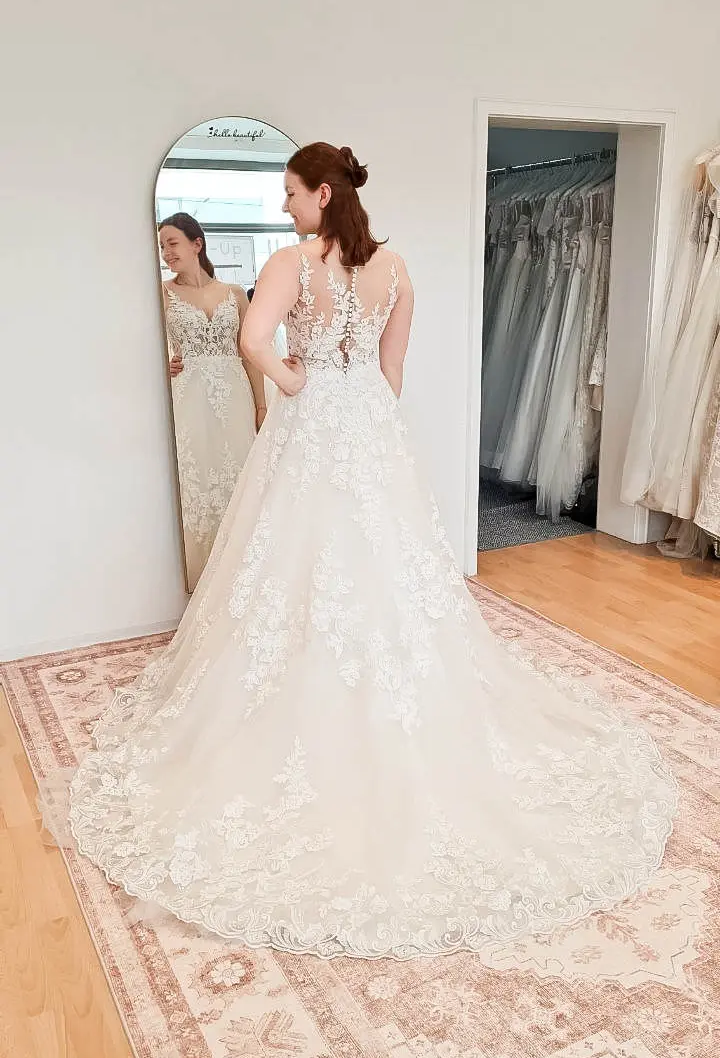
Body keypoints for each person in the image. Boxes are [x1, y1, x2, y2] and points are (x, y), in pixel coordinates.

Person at [63, 144, 677, 960]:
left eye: (289, 193)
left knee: (295, 563)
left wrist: (297, 386)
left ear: (323, 193)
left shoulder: (289, 264)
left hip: (315, 428)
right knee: (388, 564)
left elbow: (253, 340)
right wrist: (361, 418)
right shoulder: (395, 268)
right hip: (371, 432)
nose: (284, 207)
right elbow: (392, 374)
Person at [159, 214, 267, 590]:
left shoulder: (234, 294)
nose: (166, 252)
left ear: (196, 244)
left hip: (235, 396)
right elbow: (146, 347)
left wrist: (261, 406)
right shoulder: (161, 294)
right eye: (162, 246)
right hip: (187, 398)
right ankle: (202, 577)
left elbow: (250, 354)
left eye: (172, 243)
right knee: (198, 480)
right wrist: (164, 362)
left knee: (241, 475)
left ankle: (246, 572)